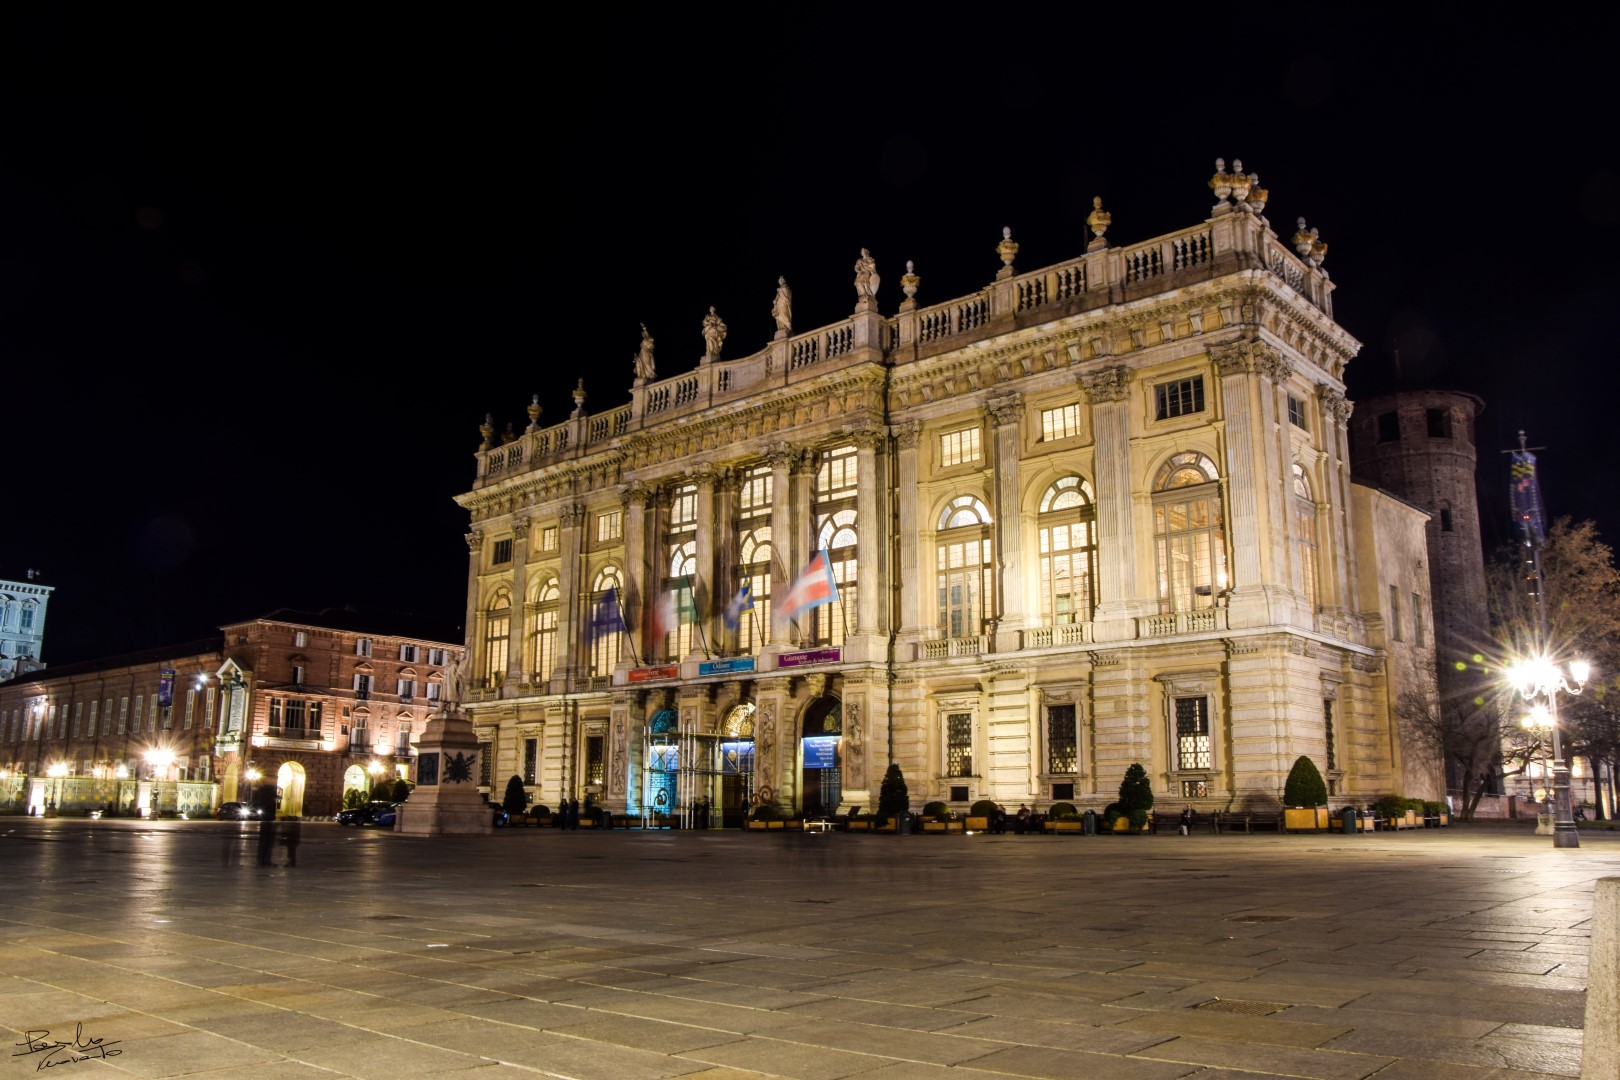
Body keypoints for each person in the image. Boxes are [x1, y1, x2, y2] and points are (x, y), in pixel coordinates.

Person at [253, 782, 279, 867]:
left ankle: (262, 860)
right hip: (268, 823)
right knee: (267, 843)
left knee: (264, 843)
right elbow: (270, 812)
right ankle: (265, 861)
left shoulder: (263, 799)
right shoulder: (269, 801)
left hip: (265, 822)